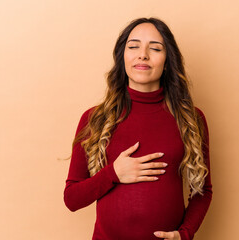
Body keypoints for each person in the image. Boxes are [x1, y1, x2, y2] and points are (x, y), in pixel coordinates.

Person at [63, 17, 212, 240]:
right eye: (133, 46)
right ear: (123, 56)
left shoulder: (191, 119)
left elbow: (203, 191)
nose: (143, 54)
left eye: (155, 48)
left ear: (168, 60)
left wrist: (185, 234)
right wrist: (114, 173)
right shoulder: (94, 118)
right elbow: (72, 199)